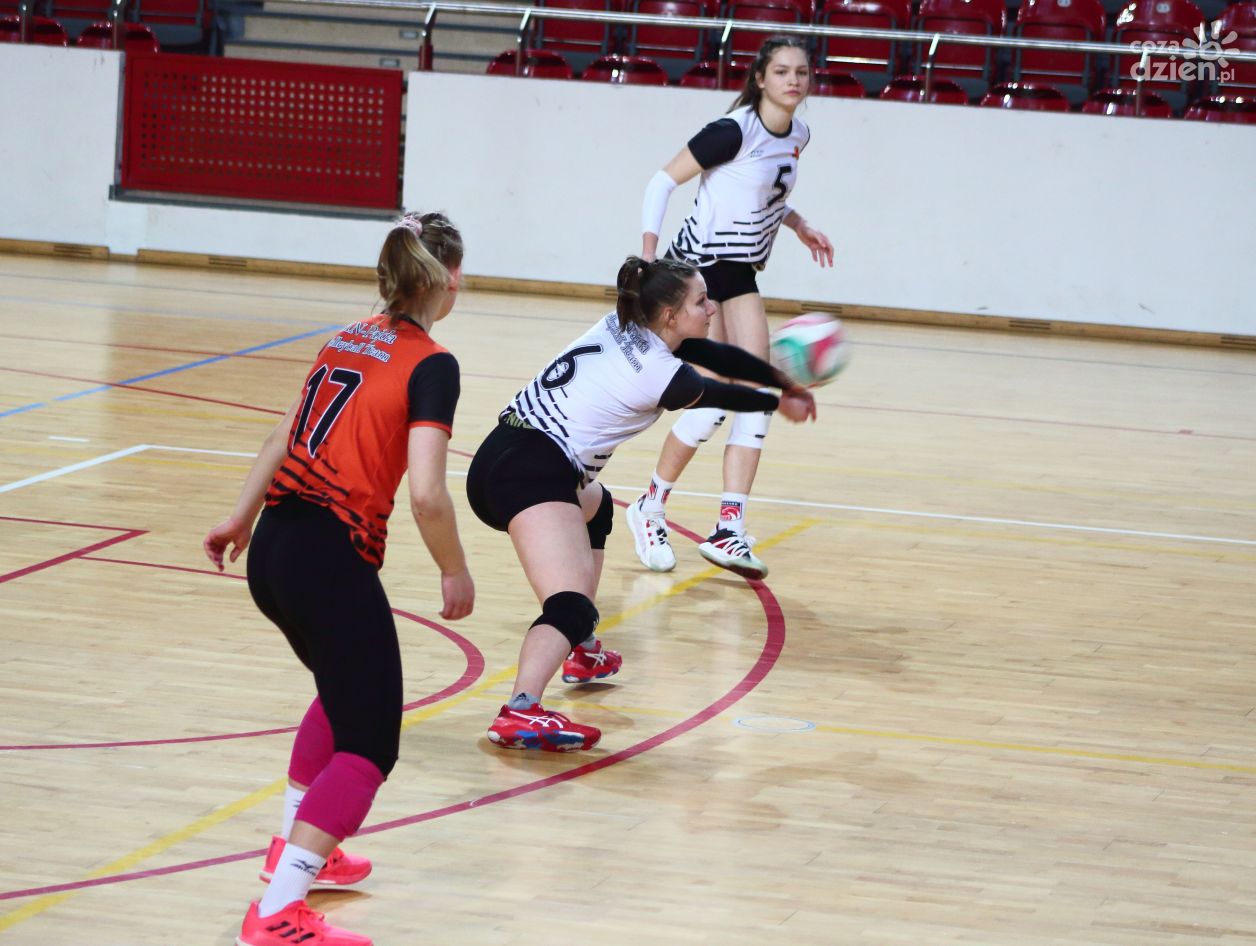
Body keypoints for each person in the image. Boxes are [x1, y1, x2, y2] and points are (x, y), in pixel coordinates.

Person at [203, 211, 474, 946]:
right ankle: (277, 910)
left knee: (342, 691)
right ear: (449, 279)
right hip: (328, 556)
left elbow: (281, 435)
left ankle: (295, 850)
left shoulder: (346, 336)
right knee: (370, 743)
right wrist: (455, 568)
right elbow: (427, 494)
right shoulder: (433, 363)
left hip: (275, 548)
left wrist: (239, 519)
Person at [465, 255, 816, 752]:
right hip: (530, 473)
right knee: (569, 606)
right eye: (701, 301)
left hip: (501, 452)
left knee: (599, 508)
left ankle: (582, 650)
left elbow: (721, 357)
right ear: (670, 315)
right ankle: (520, 709)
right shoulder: (662, 374)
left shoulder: (627, 322)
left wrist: (783, 382)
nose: (712, 308)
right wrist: (780, 400)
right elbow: (718, 388)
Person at [628, 35, 836, 581]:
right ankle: (649, 506)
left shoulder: (799, 135)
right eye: (782, 71)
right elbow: (660, 182)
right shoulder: (732, 130)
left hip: (739, 271)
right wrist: (649, 259)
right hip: (696, 271)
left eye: (801, 72)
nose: (794, 80)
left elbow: (765, 192)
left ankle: (729, 526)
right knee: (715, 394)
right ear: (761, 78)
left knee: (756, 393)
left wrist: (799, 225)